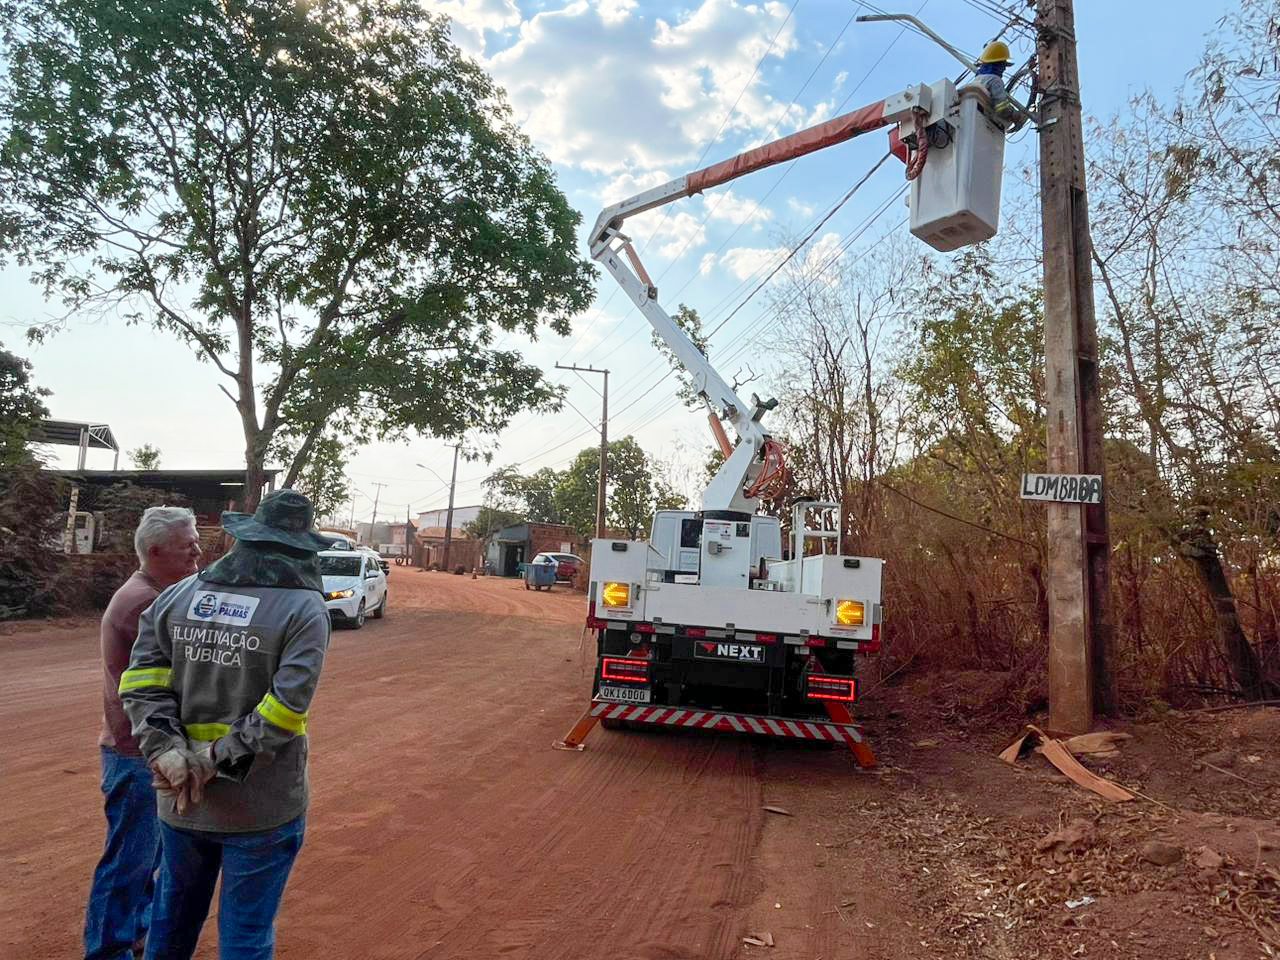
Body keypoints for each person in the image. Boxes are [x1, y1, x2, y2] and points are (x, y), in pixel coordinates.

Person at [120, 490, 333, 960]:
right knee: (245, 938)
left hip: (180, 801)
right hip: (262, 808)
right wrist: (212, 761)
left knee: (170, 928)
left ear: (247, 539)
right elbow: (284, 709)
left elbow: (140, 683)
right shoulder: (304, 609)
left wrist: (168, 754)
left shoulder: (177, 596)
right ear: (300, 550)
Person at [85, 506, 202, 960]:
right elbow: (183, 674)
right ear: (154, 551)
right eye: (186, 542)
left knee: (147, 858)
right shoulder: (143, 602)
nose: (197, 548)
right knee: (128, 862)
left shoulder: (161, 595)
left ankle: (135, 935)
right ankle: (108, 949)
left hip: (145, 750)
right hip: (136, 751)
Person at [969, 40, 1022, 128]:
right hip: (986, 125)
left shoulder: (977, 80)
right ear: (999, 64)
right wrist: (1016, 116)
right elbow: (1002, 109)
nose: (1004, 69)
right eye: (1004, 65)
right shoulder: (994, 80)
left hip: (972, 122)